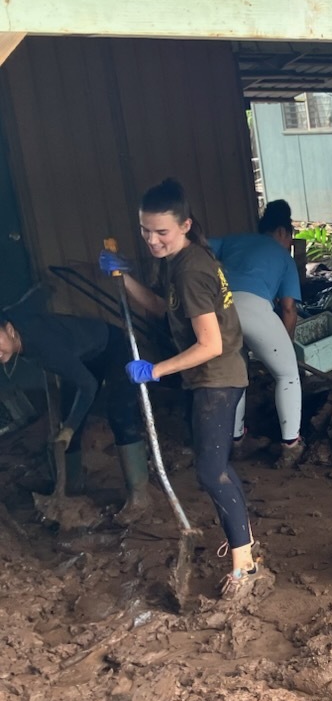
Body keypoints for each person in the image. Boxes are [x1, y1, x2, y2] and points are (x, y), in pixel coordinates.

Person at [100, 177, 270, 601]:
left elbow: (209, 343)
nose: (152, 240)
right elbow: (163, 309)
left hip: (217, 377)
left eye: (162, 232)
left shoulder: (192, 270)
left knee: (211, 471)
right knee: (215, 468)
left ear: (186, 225)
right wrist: (125, 278)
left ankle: (245, 564)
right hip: (210, 376)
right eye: (145, 230)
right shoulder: (180, 261)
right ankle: (244, 545)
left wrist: (156, 370)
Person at [0, 301, 150, 522]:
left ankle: (140, 497)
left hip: (113, 347)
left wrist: (70, 428)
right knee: (69, 414)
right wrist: (68, 425)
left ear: (10, 330)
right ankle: (70, 489)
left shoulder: (42, 345)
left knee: (119, 413)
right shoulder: (19, 332)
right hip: (83, 356)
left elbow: (88, 384)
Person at [209, 199, 304, 465]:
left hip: (219, 312)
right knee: (287, 375)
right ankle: (291, 445)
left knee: (236, 376)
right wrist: (284, 348)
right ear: (284, 232)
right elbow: (288, 309)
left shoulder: (231, 241)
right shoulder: (283, 257)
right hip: (255, 309)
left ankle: (236, 441)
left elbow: (198, 247)